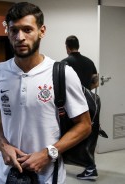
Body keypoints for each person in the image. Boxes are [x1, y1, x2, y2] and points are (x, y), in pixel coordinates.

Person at [0, 2, 92, 184]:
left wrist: (48, 153)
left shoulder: (62, 73)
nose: (20, 37)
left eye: (27, 30)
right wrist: (3, 145)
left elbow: (84, 125)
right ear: (8, 32)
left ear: (42, 31)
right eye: (14, 30)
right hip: (4, 175)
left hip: (48, 176)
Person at [61, 35, 99, 180]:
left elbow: (60, 85)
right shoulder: (89, 61)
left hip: (71, 105)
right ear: (78, 45)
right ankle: (89, 167)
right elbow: (95, 83)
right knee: (89, 136)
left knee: (69, 133)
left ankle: (89, 167)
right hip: (89, 102)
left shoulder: (64, 63)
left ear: (67, 47)